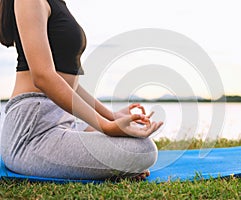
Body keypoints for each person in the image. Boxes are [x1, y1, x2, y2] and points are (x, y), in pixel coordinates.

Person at [0, 0, 163, 180]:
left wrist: (111, 116)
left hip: (63, 120)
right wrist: (105, 126)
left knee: (136, 136)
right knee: (142, 150)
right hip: (32, 132)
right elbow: (43, 77)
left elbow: (68, 83)